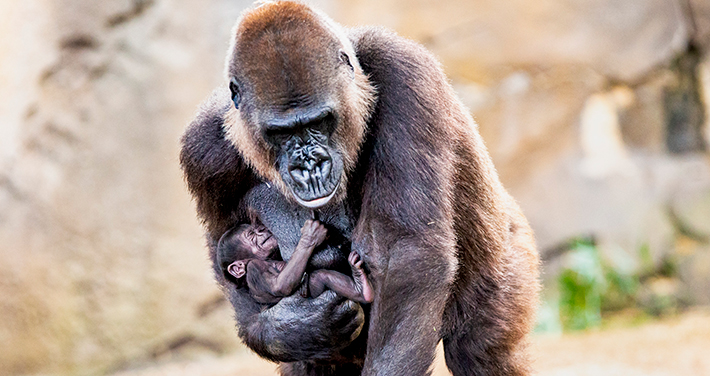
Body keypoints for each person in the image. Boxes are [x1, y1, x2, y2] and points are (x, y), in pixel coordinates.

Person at [217, 219, 373, 305]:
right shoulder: (253, 268)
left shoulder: (268, 265)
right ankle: (358, 290)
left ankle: (358, 290)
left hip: (302, 292)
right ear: (238, 268)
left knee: (322, 276)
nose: (261, 231)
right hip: (296, 296)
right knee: (322, 277)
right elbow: (281, 287)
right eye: (252, 235)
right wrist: (307, 241)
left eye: (258, 228)